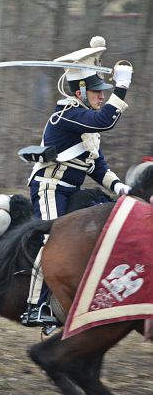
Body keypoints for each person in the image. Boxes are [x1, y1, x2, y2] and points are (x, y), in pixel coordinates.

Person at [22, 36, 133, 327]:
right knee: (51, 239)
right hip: (49, 188)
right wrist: (121, 87)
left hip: (72, 191)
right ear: (81, 90)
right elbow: (106, 120)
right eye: (98, 91)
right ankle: (36, 305)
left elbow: (97, 167)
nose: (101, 96)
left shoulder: (86, 123)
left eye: (104, 91)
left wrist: (119, 186)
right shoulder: (68, 116)